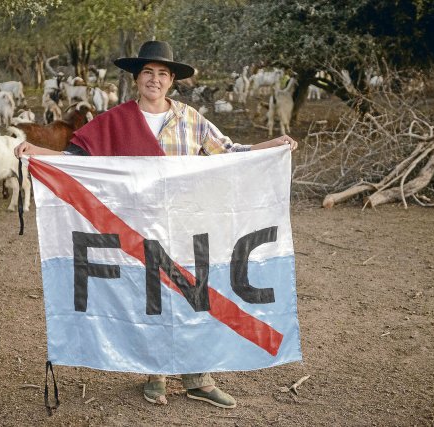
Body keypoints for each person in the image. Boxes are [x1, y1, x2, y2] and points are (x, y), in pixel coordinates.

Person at [15, 40, 298, 409]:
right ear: (137, 78)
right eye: (148, 72)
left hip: (185, 222)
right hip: (137, 226)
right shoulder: (115, 121)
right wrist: (37, 153)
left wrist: (271, 146)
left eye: (162, 74)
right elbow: (75, 161)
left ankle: (198, 378)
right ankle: (155, 373)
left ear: (171, 81)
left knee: (193, 296)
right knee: (150, 298)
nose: (154, 79)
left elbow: (228, 154)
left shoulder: (190, 120)